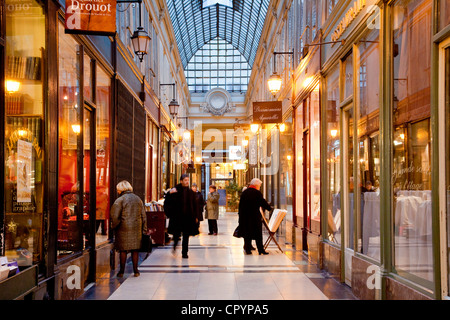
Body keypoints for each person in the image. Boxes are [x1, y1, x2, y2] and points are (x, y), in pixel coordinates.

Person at [111, 180, 147, 278]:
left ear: (121, 189)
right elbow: (143, 215)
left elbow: (115, 216)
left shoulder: (120, 200)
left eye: (118, 189)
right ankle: (136, 271)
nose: (117, 191)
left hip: (123, 228)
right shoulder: (138, 199)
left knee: (123, 250)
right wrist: (144, 228)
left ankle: (121, 272)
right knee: (135, 250)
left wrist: (114, 226)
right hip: (136, 228)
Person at [164, 174, 199, 258]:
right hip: (177, 218)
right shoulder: (175, 190)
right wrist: (169, 193)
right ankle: (175, 246)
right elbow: (167, 202)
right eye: (185, 180)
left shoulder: (190, 192)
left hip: (187, 218)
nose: (187, 182)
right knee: (176, 235)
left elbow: (194, 205)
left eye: (188, 180)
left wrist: (196, 216)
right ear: (181, 181)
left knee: (186, 236)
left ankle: (184, 252)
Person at [237, 178, 272, 255]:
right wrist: (269, 208)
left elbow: (240, 206)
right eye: (259, 185)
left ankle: (248, 249)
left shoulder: (244, 193)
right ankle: (260, 250)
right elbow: (263, 202)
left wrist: (240, 217)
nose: (260, 186)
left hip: (245, 217)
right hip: (255, 217)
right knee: (258, 234)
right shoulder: (257, 193)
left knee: (247, 233)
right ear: (256, 185)